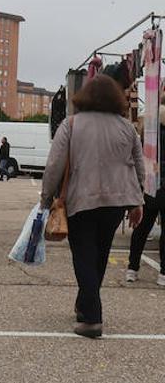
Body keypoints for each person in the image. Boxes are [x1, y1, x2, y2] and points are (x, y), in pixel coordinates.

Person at [40, 74, 145, 338]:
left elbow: (54, 165)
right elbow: (138, 167)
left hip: (81, 199)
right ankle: (85, 305)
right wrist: (138, 200)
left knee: (84, 255)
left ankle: (93, 318)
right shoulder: (127, 127)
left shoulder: (71, 124)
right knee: (99, 255)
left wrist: (45, 198)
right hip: (116, 201)